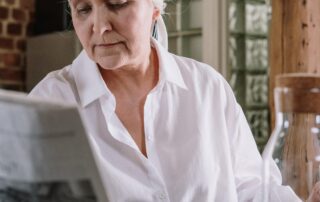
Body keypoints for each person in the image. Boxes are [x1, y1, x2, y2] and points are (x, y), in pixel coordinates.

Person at [29, 0, 301, 201]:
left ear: (155, 8)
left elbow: (251, 189)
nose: (100, 27)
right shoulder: (49, 104)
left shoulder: (208, 88)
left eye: (118, 3)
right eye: (84, 9)